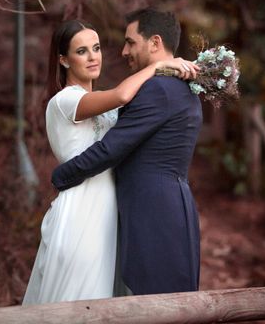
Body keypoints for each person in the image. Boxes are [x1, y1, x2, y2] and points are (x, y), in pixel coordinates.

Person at [22, 19, 197, 305]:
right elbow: (122, 95)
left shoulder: (97, 100)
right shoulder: (65, 101)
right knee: (78, 302)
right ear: (63, 60)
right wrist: (159, 66)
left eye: (97, 48)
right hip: (82, 207)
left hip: (110, 209)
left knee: (105, 303)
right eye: (82, 51)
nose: (93, 57)